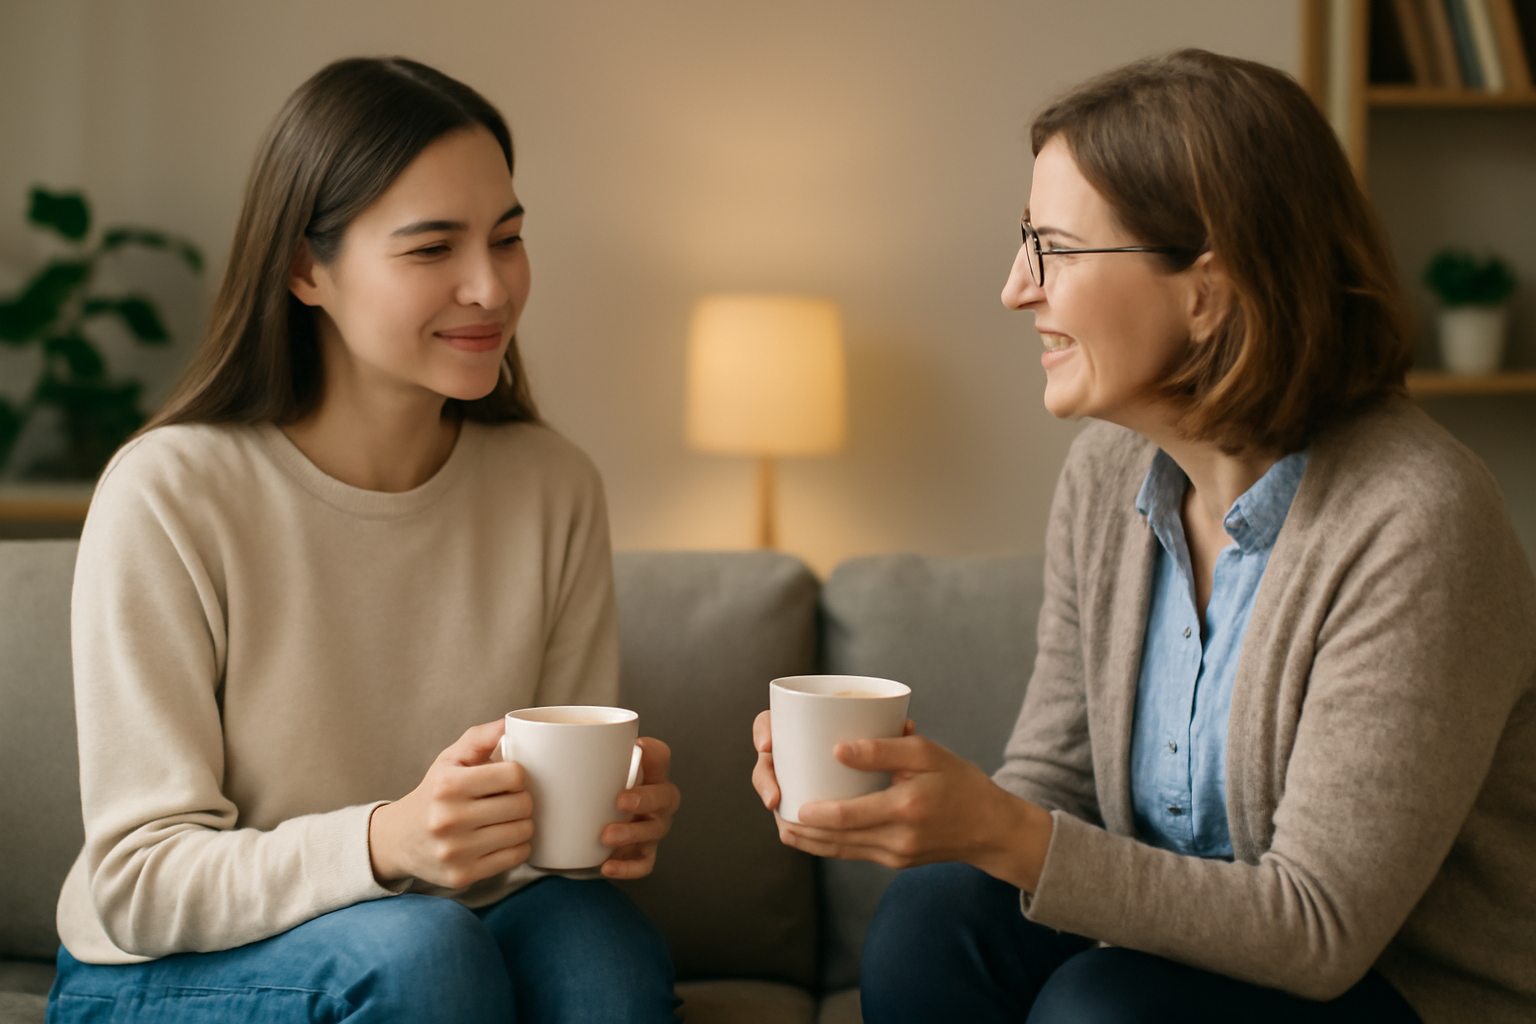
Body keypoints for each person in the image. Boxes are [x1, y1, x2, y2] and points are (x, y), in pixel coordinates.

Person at [751, 49, 1536, 1024]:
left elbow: (1319, 927)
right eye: (1025, 242)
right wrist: (917, 802)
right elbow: (1055, 784)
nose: (1016, 288)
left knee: (1105, 1007)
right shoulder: (1107, 473)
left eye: (1056, 249)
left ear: (1208, 291)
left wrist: (1000, 830)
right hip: (1166, 964)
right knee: (934, 914)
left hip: (1397, 992)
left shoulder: (1415, 519)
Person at [47, 57, 681, 1024]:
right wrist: (385, 842)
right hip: (166, 957)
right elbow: (139, 881)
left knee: (607, 958)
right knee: (421, 956)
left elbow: (540, 840)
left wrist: (603, 822)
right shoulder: (170, 492)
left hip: (453, 920)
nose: (490, 287)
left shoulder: (552, 485)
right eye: (432, 249)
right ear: (305, 269)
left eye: (508, 238)